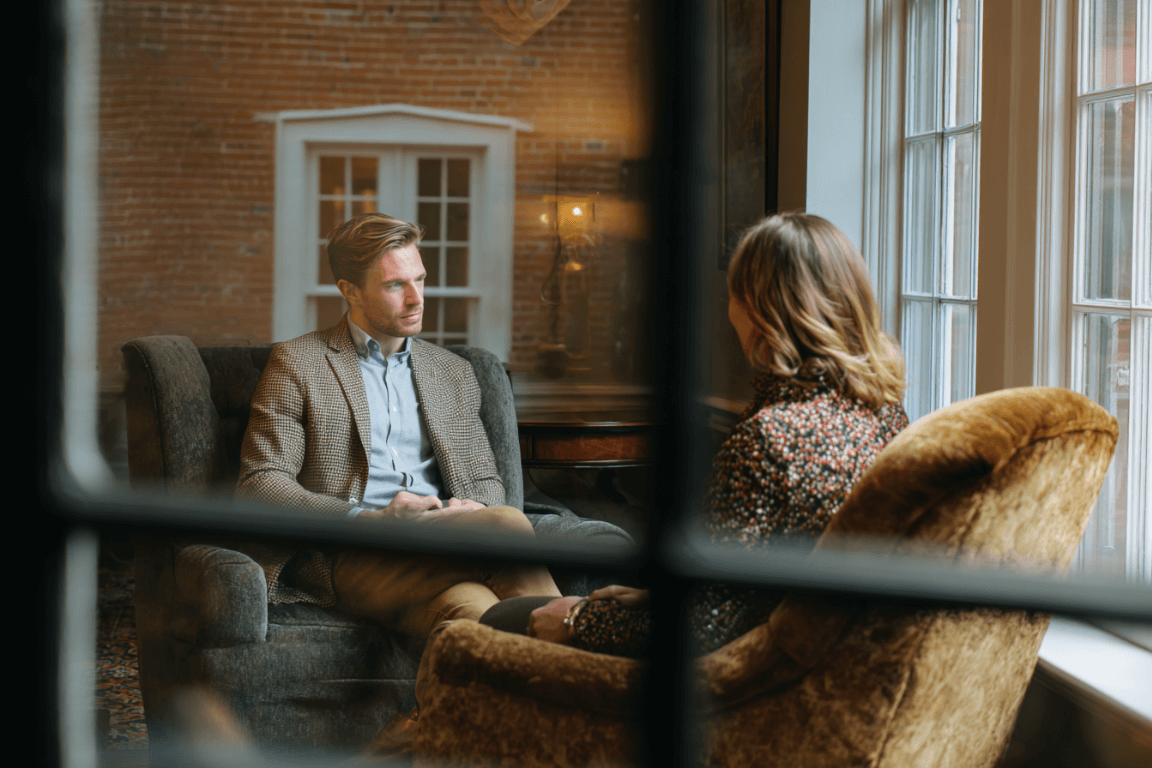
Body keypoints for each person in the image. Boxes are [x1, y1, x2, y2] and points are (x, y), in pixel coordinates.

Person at [520, 212, 909, 657]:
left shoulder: (770, 438)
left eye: (733, 293)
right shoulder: (886, 415)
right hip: (818, 655)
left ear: (759, 311)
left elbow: (705, 629)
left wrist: (579, 620)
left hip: (734, 687)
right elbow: (755, 587)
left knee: (502, 620)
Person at [236, 212, 562, 645]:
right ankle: (591, 640)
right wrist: (371, 519)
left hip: (442, 543)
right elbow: (260, 483)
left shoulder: (454, 373)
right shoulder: (298, 364)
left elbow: (484, 480)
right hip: (353, 553)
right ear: (349, 291)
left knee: (477, 619)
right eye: (395, 285)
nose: (416, 298)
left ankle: (427, 716)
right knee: (505, 525)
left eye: (420, 280)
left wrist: (464, 510)